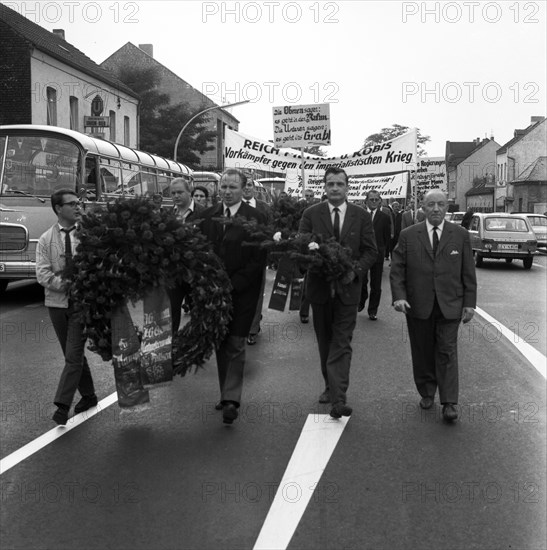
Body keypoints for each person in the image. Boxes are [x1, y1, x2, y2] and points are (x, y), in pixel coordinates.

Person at [390, 190, 477, 422]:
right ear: (423, 208)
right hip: (418, 304)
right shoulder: (408, 235)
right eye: (431, 205)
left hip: (450, 304)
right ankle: (427, 391)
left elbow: (468, 271)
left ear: (447, 207)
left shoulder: (460, 234)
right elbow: (397, 269)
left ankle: (449, 402)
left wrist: (470, 303)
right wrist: (399, 296)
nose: (436, 209)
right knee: (422, 350)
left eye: (440, 204)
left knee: (447, 351)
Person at [299, 167, 377, 418]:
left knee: (341, 342)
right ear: (324, 186)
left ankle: (338, 396)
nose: (334, 188)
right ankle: (329, 385)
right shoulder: (311, 214)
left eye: (339, 184)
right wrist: (315, 262)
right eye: (330, 184)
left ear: (347, 187)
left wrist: (354, 271)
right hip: (320, 288)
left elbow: (370, 251)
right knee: (325, 341)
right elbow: (302, 246)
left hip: (348, 289)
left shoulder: (361, 215)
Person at [198, 169, 267, 424]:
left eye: (232, 188)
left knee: (236, 343)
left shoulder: (256, 217)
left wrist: (233, 284)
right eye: (223, 187)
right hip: (213, 292)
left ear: (243, 189)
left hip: (242, 292)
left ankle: (231, 400)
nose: (227, 192)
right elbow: (200, 251)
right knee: (220, 342)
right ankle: (224, 391)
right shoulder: (208, 216)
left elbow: (258, 258)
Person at [36, 189, 97, 425]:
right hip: (57, 305)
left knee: (72, 356)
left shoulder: (90, 235)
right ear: (58, 209)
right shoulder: (45, 239)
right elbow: (42, 273)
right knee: (72, 354)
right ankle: (89, 395)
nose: (78, 207)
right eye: (72, 204)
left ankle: (62, 406)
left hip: (82, 305)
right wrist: (70, 284)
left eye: (79, 203)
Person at [168, 178, 205, 332]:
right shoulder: (169, 214)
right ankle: (171, 346)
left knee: (198, 312)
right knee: (171, 312)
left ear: (189, 192)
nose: (176, 196)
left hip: (196, 273)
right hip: (174, 274)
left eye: (180, 192)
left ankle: (197, 347)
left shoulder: (204, 213)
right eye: (173, 193)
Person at [241, 178, 273, 345]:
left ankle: (253, 329)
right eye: (244, 184)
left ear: (254, 188)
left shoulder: (264, 208)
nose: (246, 188)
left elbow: (270, 231)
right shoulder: (233, 206)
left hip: (258, 258)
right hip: (237, 258)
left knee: (256, 293)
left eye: (249, 185)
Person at [358, 190, 391, 320]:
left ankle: (373, 310)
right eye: (371, 199)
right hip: (362, 254)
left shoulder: (384, 217)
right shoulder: (360, 215)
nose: (374, 202)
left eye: (376, 199)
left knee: (376, 285)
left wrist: (383, 251)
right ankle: (362, 299)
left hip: (377, 254)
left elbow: (386, 237)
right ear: (366, 200)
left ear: (380, 201)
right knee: (362, 281)